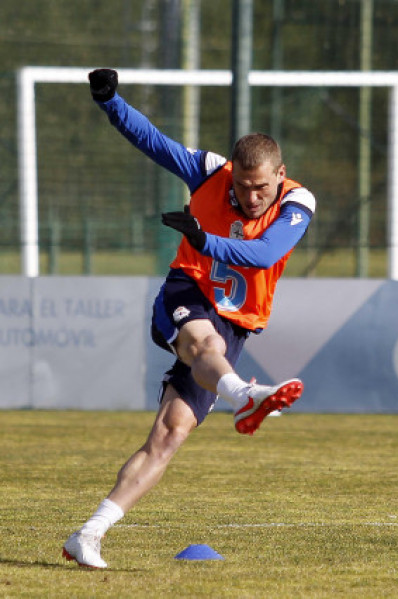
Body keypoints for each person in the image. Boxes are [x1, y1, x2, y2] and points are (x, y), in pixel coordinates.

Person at [62, 69, 315, 569]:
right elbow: (153, 141)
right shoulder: (210, 170)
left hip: (236, 322)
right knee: (204, 348)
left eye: (261, 187)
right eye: (243, 187)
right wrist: (109, 101)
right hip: (188, 292)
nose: (250, 197)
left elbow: (264, 254)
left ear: (280, 174)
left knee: (170, 433)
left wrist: (206, 240)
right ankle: (247, 395)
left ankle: (87, 535)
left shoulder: (298, 202)